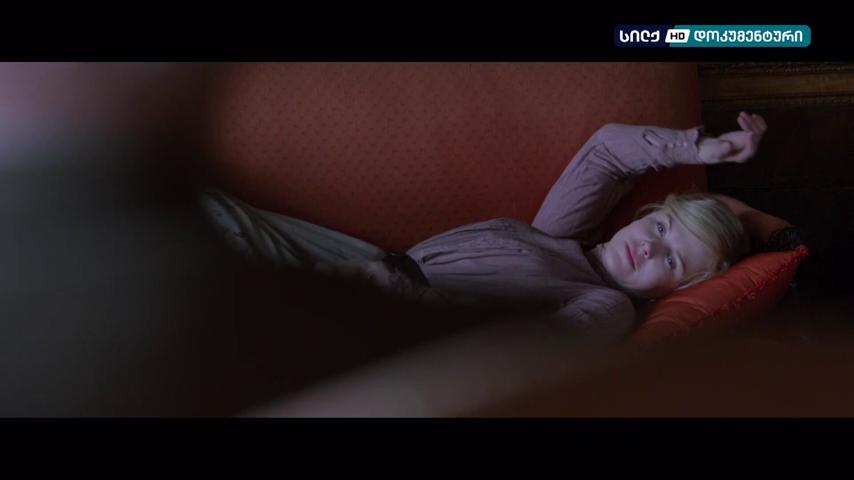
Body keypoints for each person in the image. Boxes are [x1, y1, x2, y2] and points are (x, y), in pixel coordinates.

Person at [199, 112, 772, 344]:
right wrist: (702, 147)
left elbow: (528, 350)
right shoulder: (562, 234)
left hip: (392, 313)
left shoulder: (606, 302)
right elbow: (605, 152)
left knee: (228, 299)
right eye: (663, 229)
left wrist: (392, 298)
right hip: (370, 259)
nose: (648, 247)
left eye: (670, 260)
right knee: (207, 208)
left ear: (674, 291)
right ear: (648, 216)